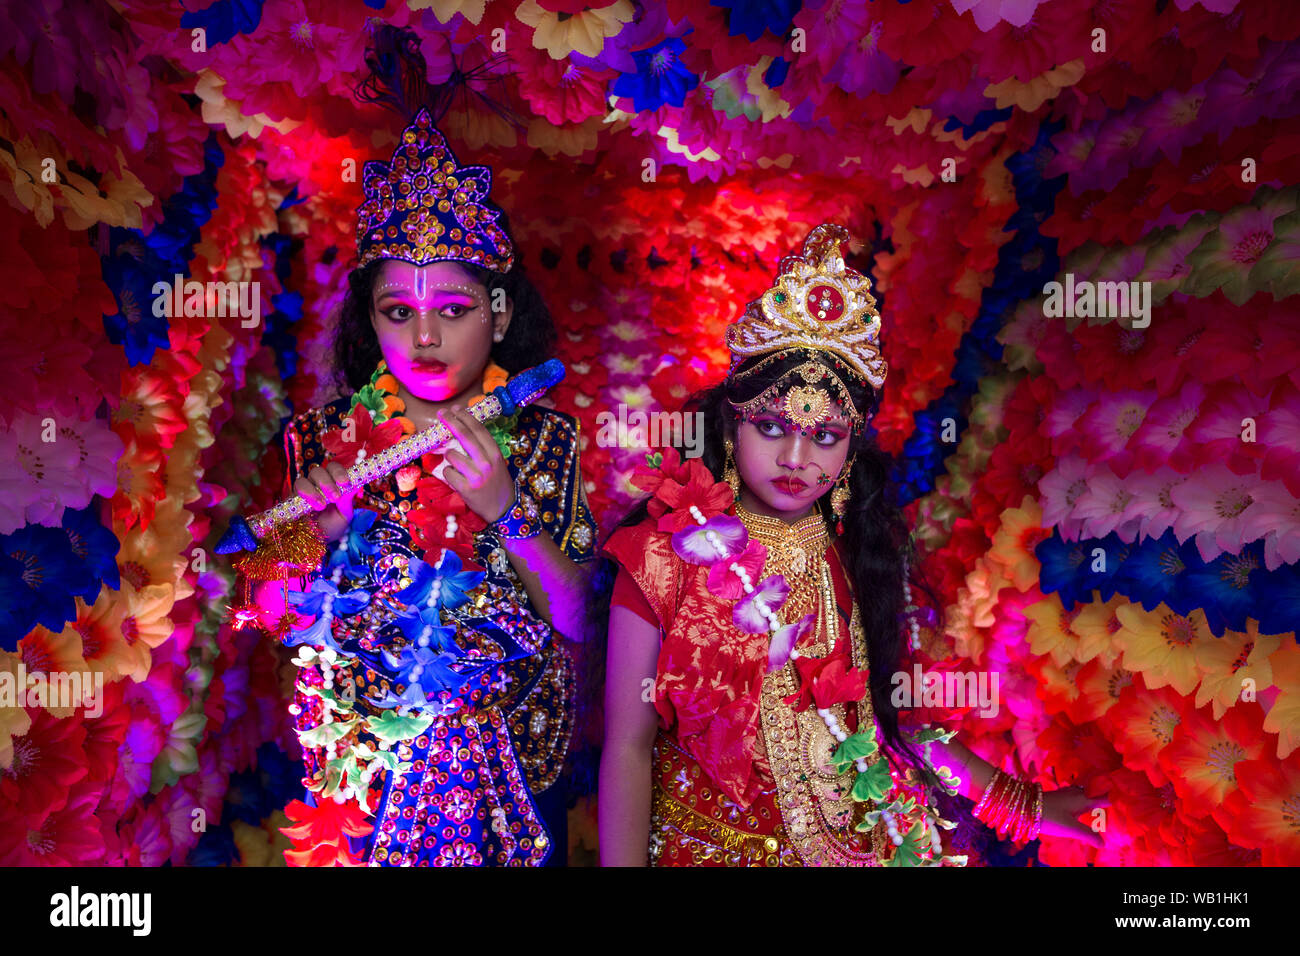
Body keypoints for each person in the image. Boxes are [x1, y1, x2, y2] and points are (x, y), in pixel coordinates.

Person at [598, 223, 1105, 866]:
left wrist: (1020, 803)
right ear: (731, 425)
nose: (796, 456)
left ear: (852, 447)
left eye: (826, 436)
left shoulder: (851, 555)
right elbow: (626, 747)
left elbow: (882, 727)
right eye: (773, 426)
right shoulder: (661, 554)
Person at [233, 93, 598, 866]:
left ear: (499, 316)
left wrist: (506, 509)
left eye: (454, 309)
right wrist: (315, 533)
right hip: (367, 777)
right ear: (371, 321)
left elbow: (578, 619)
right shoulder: (323, 440)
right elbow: (261, 613)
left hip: (512, 782)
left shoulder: (541, 437)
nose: (424, 336)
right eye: (397, 311)